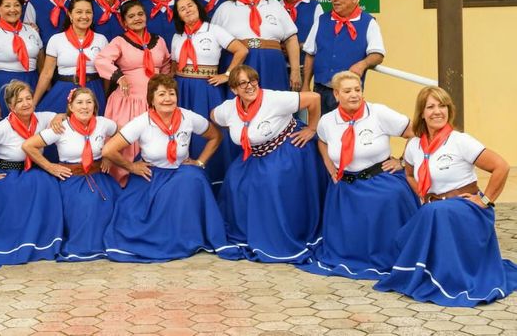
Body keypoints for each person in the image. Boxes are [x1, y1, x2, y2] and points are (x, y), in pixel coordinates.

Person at [374, 86, 517, 306]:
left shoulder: (461, 141)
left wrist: (485, 200)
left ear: (449, 110)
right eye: (430, 107)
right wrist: (423, 196)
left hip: (468, 208)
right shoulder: (414, 146)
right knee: (419, 222)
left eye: (442, 106)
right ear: (421, 113)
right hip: (437, 210)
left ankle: (445, 276)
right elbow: (410, 173)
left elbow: (501, 167)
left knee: (431, 213)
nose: (437, 111)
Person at [101, 74, 241, 262]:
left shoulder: (188, 117)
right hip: (152, 175)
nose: (167, 99)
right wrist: (131, 167)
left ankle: (188, 237)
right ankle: (163, 239)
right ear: (151, 99)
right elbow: (108, 150)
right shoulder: (142, 121)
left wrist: (200, 162)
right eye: (161, 95)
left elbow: (216, 136)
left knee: (194, 177)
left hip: (179, 172)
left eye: (171, 94)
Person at [299, 71, 420, 280]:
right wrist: (330, 166)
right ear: (336, 94)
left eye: (358, 90)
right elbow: (322, 141)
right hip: (345, 186)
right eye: (347, 91)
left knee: (389, 200)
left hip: (380, 181)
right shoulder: (327, 121)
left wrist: (401, 162)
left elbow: (416, 132)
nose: (354, 95)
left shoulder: (378, 112)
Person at [212, 66, 328, 263]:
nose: (250, 86)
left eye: (253, 80)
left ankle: (275, 234)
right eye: (243, 83)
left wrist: (311, 128)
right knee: (234, 182)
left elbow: (314, 98)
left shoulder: (275, 99)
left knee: (272, 181)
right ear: (234, 89)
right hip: (255, 155)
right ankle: (248, 231)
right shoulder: (229, 108)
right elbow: (214, 115)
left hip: (286, 149)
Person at [0, 80, 64, 264]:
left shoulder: (42, 118)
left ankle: (42, 241)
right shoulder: (2, 127)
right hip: (9, 172)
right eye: (20, 101)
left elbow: (62, 116)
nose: (26, 103)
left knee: (48, 188)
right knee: (13, 200)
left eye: (29, 98)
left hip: (35, 171)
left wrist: (59, 117)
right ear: (11, 106)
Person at [22, 87, 120, 262]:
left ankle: (111, 243)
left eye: (89, 102)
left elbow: (121, 134)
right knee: (87, 206)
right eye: (79, 102)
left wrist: (109, 155)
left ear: (95, 106)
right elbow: (28, 146)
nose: (84, 107)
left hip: (100, 177)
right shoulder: (61, 127)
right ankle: (87, 245)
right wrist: (50, 167)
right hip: (73, 180)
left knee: (117, 205)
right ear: (71, 107)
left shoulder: (103, 123)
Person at [171, 0, 247, 189]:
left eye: (190, 5)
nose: (187, 10)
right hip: (182, 87)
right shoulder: (177, 36)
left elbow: (241, 50)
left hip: (205, 89)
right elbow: (173, 64)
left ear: (198, 8)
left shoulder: (213, 30)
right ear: (178, 15)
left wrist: (227, 74)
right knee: (182, 128)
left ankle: (212, 177)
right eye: (182, 8)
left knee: (208, 129)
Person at [94, 0, 171, 184]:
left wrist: (165, 86)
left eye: (140, 14)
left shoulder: (159, 41)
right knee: (126, 145)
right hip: (128, 101)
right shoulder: (119, 41)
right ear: (124, 22)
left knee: (153, 143)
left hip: (154, 102)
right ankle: (123, 185)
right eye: (131, 16)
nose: (137, 18)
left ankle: (151, 183)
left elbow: (167, 63)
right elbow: (101, 60)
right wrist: (118, 77)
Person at [302, 0, 385, 114]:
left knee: (346, 129)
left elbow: (378, 54)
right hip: (320, 89)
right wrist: (305, 85)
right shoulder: (322, 20)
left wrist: (362, 64)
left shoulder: (368, 22)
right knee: (320, 130)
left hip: (348, 92)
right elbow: (310, 54)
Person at [212, 0, 301, 92]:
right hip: (239, 65)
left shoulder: (275, 5)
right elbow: (215, 42)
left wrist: (295, 71)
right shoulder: (225, 8)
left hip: (272, 65)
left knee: (274, 105)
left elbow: (291, 39)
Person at [35, 0, 108, 114]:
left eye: (88, 12)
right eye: (79, 12)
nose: (84, 16)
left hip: (93, 90)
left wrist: (102, 94)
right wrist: (34, 102)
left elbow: (106, 74)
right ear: (70, 15)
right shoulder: (56, 39)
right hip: (64, 89)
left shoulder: (101, 40)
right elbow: (46, 74)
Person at [0, 0, 44, 121]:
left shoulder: (32, 31)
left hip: (32, 83)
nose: (12, 9)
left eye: (16, 5)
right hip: (5, 86)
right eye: (7, 6)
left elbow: (42, 66)